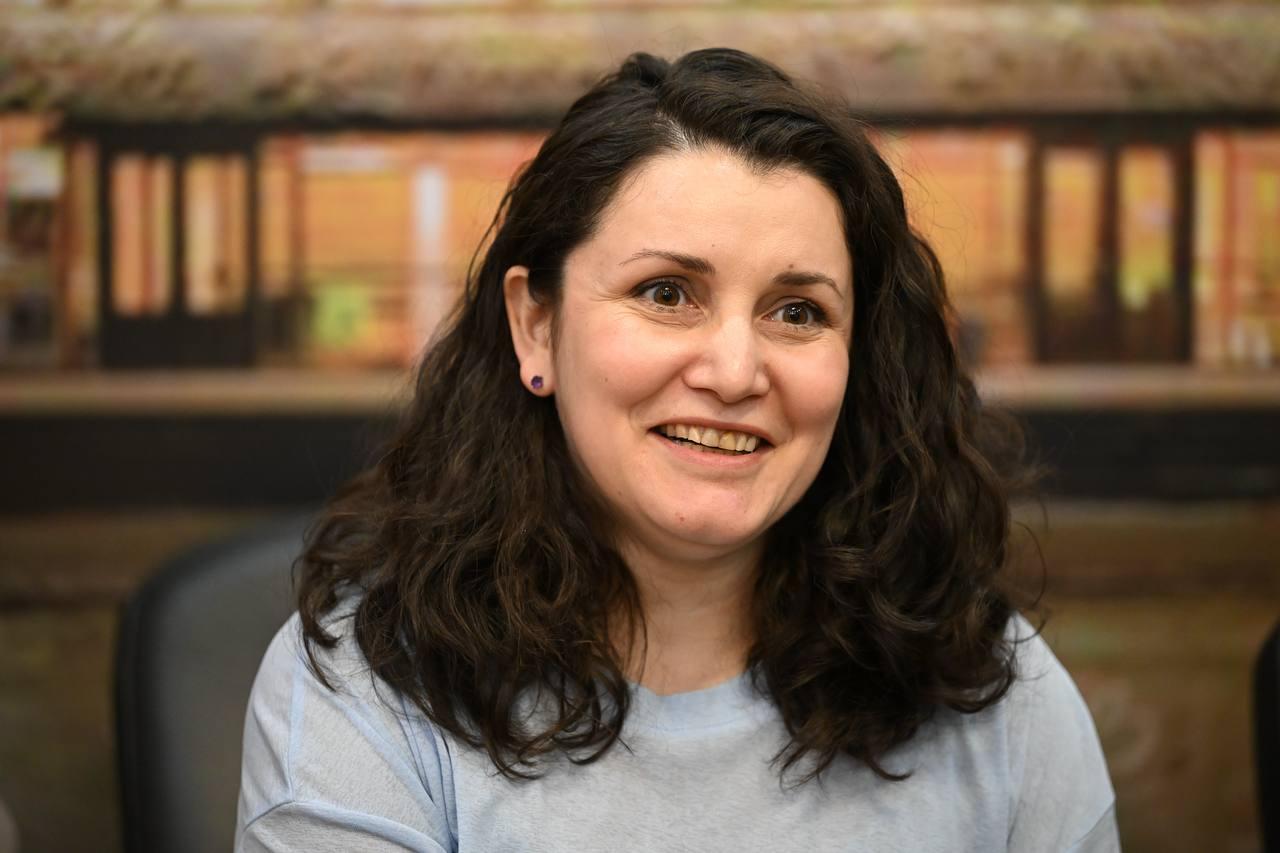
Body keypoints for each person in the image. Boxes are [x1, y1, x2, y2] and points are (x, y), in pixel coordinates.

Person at [236, 48, 1119, 852]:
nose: (734, 372)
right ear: (535, 326)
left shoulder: (992, 686)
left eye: (798, 311)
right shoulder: (368, 691)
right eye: (667, 293)